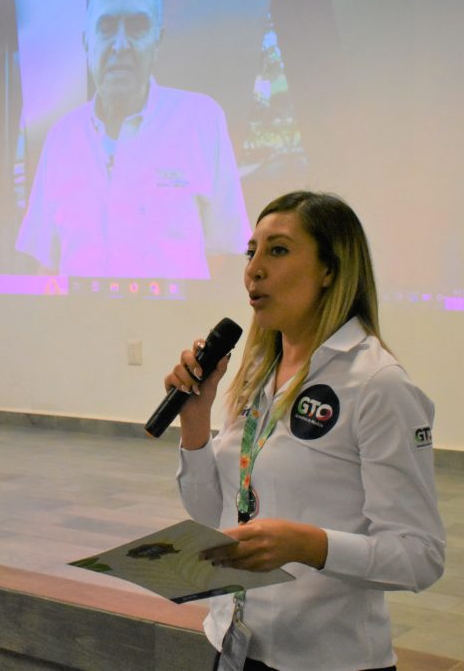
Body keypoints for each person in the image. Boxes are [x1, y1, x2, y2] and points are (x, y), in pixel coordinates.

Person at [165, 191, 445, 670]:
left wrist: (309, 545)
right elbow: (213, 513)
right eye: (251, 252)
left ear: (329, 270)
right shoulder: (258, 372)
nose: (254, 269)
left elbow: (419, 557)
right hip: (235, 648)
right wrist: (195, 423)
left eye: (277, 250)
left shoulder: (377, 384)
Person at [15, 0, 251, 280]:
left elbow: (222, 249)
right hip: (76, 310)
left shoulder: (202, 120)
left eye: (137, 26)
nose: (120, 45)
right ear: (87, 41)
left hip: (178, 312)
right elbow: (47, 265)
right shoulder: (60, 138)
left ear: (157, 40)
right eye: (106, 27)